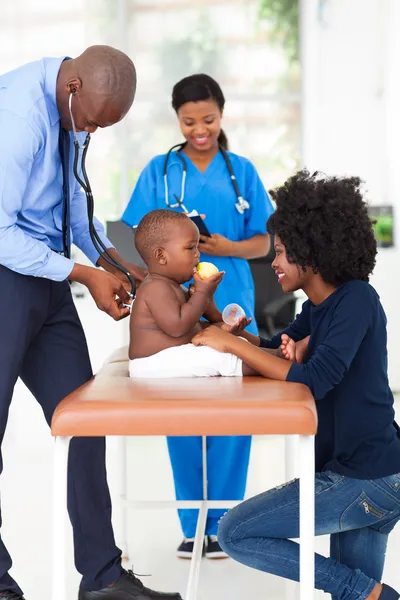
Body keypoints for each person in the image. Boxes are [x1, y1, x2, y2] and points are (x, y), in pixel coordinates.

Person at [0, 46, 182, 600]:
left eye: (105, 127)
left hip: (48, 278)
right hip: (6, 274)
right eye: (92, 122)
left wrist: (112, 263)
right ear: (73, 87)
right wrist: (83, 272)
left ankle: (102, 577)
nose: (91, 134)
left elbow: (74, 208)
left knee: (84, 418)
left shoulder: (75, 109)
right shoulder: (18, 117)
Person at [191, 170, 400, 600]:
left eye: (282, 253)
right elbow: (271, 349)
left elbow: (317, 377)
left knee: (235, 532)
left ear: (314, 253)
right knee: (354, 594)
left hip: (368, 476)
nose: (274, 263)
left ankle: (379, 595)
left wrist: (232, 344)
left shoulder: (357, 299)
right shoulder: (318, 306)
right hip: (355, 472)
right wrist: (223, 322)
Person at [121, 73, 274, 558]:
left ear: (221, 115)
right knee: (181, 410)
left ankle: (229, 522)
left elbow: (266, 240)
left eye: (208, 120)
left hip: (229, 297)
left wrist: (226, 247)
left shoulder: (240, 170)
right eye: (189, 121)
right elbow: (135, 235)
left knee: (234, 414)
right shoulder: (159, 170)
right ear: (177, 120)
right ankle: (194, 526)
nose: (199, 129)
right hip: (172, 303)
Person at [128, 209, 263, 378]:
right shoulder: (154, 288)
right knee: (220, 357)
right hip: (154, 363)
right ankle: (276, 361)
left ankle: (272, 355)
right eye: (190, 247)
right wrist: (202, 294)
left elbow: (193, 327)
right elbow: (178, 327)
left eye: (197, 247)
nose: (198, 254)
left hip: (174, 357)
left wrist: (221, 325)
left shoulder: (175, 287)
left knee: (232, 343)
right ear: (161, 256)